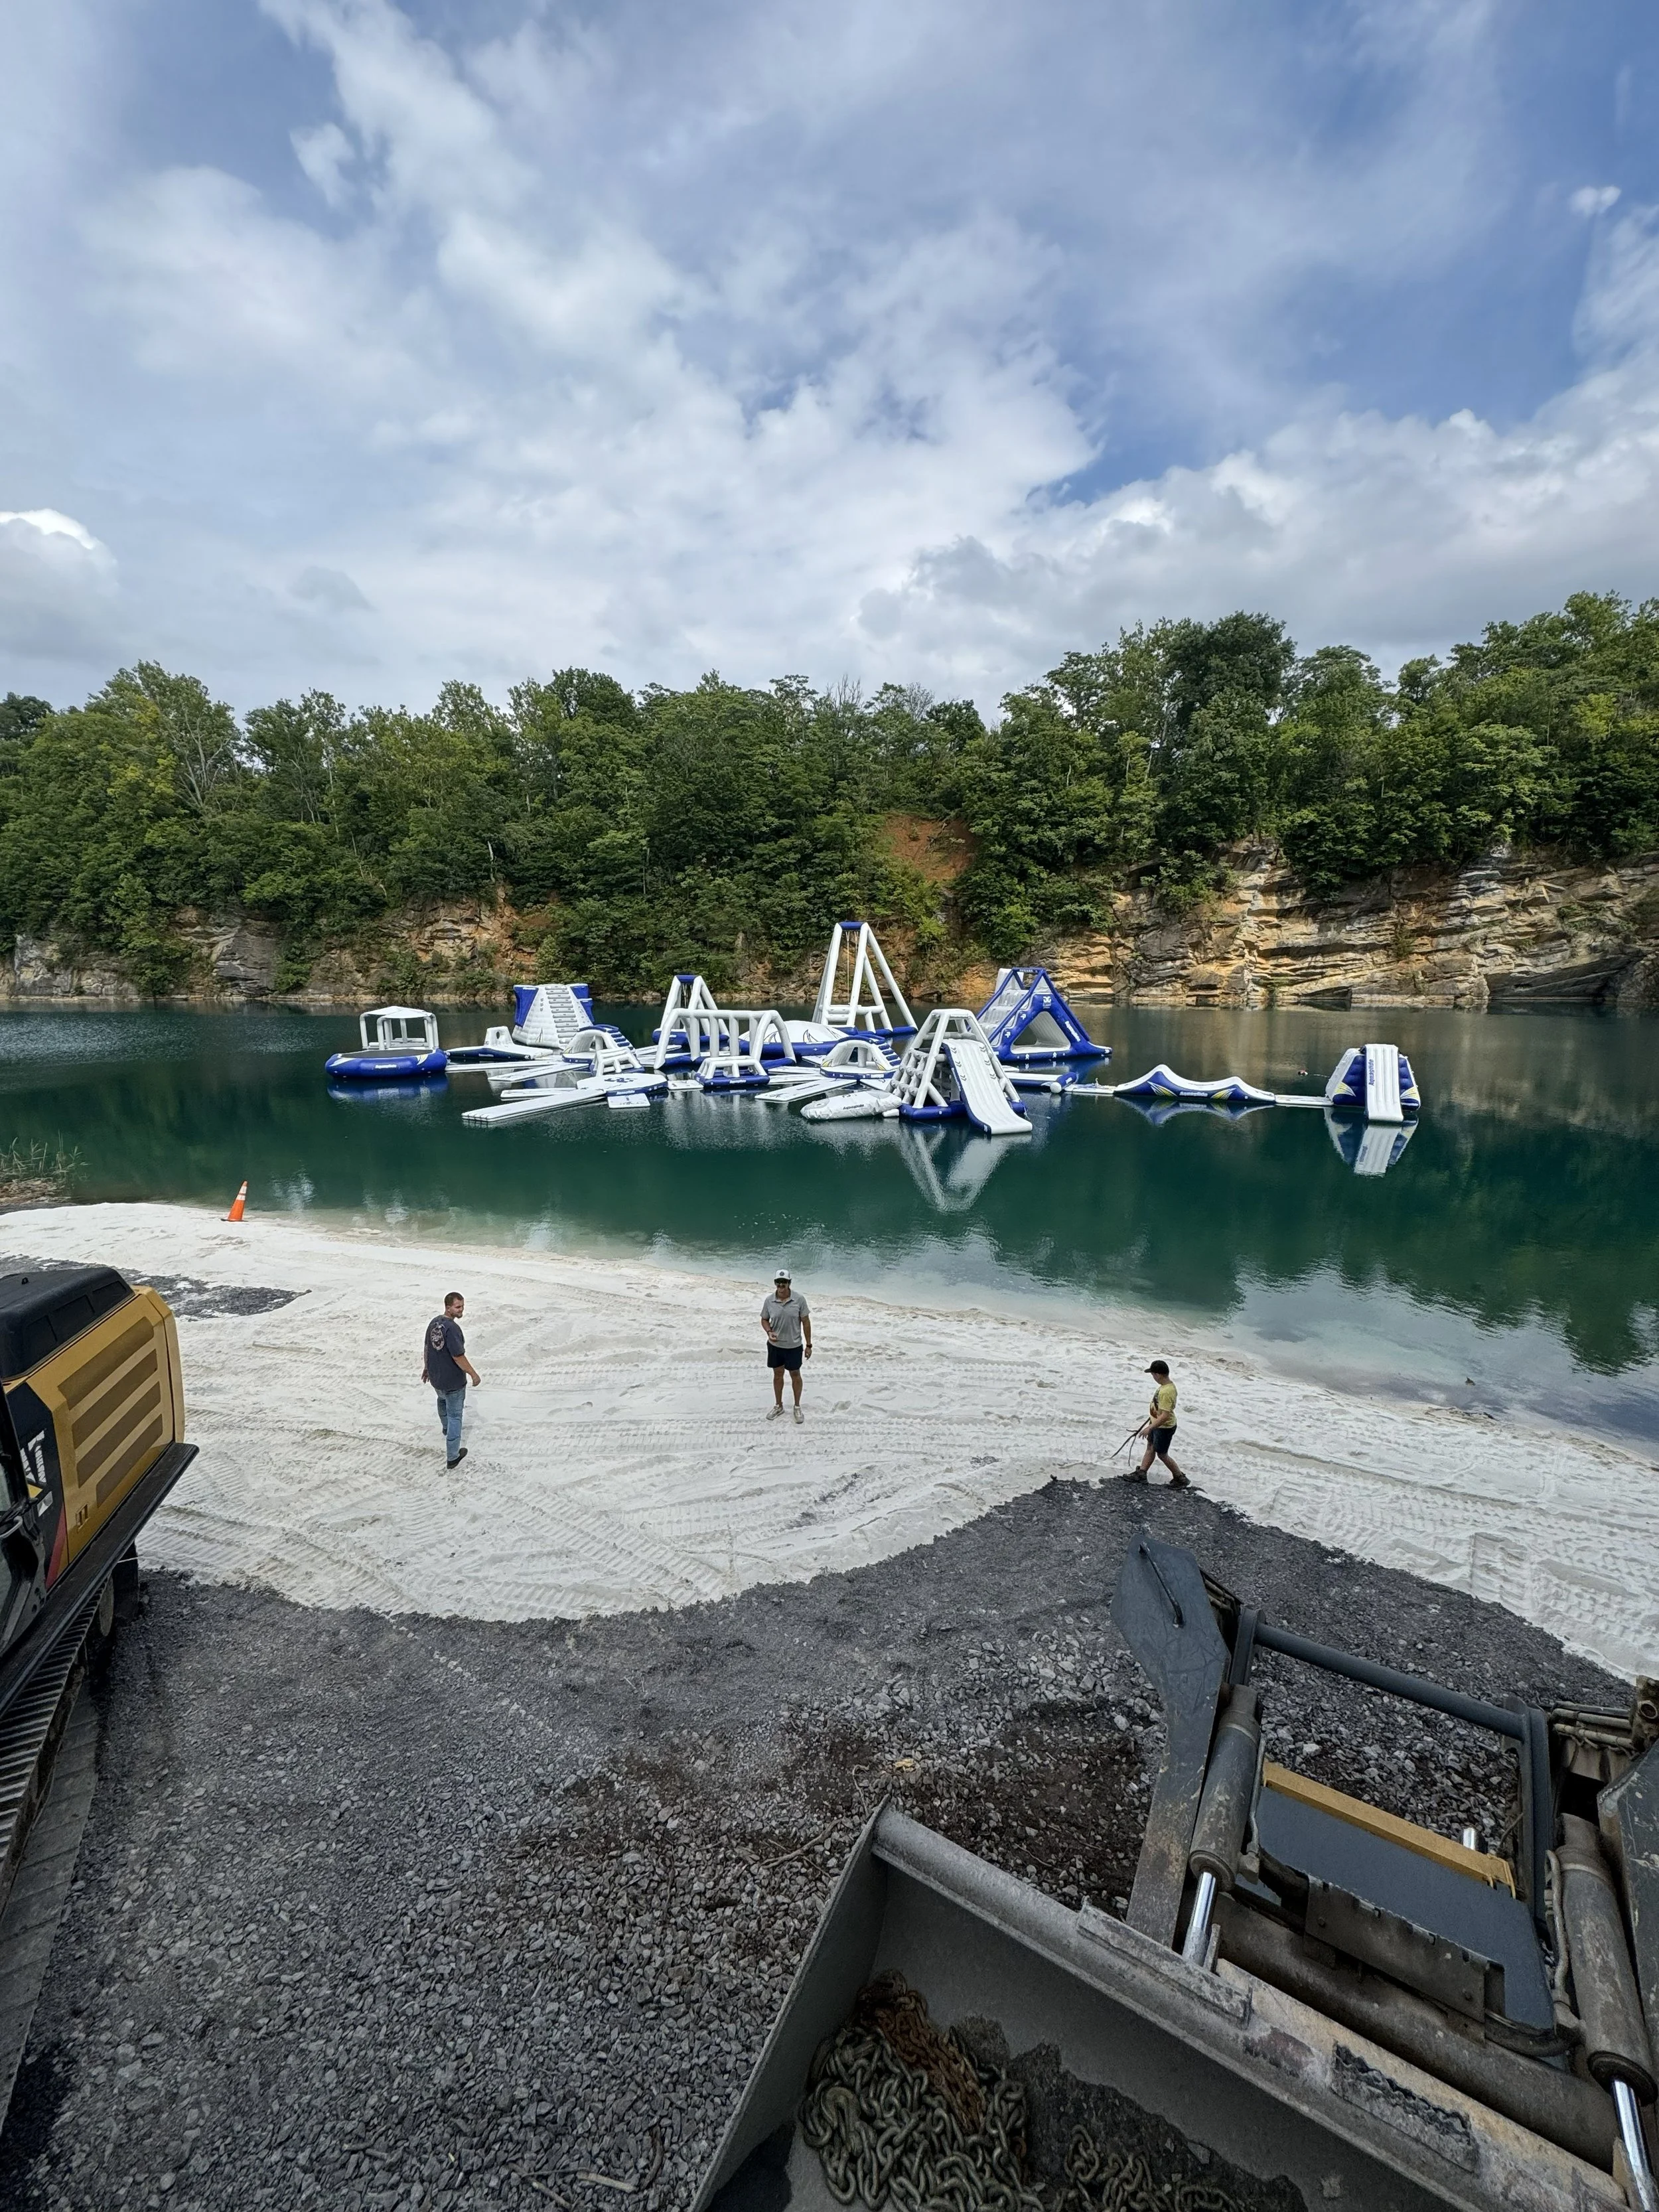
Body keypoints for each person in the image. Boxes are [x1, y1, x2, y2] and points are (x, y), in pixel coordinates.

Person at [421, 1291, 480, 1469]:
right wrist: (473, 1374)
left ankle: (446, 1429)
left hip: (436, 1378)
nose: (462, 1310)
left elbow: (427, 1348)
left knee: (441, 1401)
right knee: (456, 1415)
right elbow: (458, 1356)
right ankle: (453, 1456)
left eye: (462, 1306)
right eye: (458, 1307)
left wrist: (427, 1368)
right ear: (448, 1308)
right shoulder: (452, 1329)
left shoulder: (434, 1323)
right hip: (452, 1381)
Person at [760, 1268, 812, 1423]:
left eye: (784, 1282)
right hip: (775, 1346)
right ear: (775, 1283)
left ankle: (797, 1407)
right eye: (778, 1282)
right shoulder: (769, 1300)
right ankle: (779, 1406)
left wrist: (809, 1345)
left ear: (789, 1283)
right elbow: (764, 1319)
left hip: (794, 1346)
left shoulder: (799, 1299)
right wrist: (769, 1332)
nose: (781, 1285)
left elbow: (806, 1322)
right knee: (777, 1375)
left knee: (795, 1375)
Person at [1127, 1359, 1188, 1487]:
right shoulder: (1166, 1387)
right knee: (1150, 1447)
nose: (1153, 1377)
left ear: (1158, 1375)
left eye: (1153, 1374)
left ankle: (1180, 1478)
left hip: (1164, 1427)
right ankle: (1142, 1473)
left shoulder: (1166, 1392)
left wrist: (1150, 1427)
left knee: (1162, 1454)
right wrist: (1152, 1419)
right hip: (1157, 1425)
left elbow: (1165, 1416)